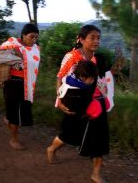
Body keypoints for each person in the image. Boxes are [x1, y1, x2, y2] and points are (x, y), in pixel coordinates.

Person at [47, 24, 110, 183]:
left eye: (98, 38)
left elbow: (103, 79)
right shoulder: (72, 57)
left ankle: (96, 173)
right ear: (81, 39)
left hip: (97, 102)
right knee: (69, 133)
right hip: (78, 103)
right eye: (92, 38)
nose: (96, 41)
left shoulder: (98, 58)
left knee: (100, 138)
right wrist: (60, 100)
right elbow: (60, 77)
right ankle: (52, 148)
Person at [0, 23, 40, 150]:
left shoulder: (35, 49)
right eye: (31, 37)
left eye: (36, 37)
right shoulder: (12, 44)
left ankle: (9, 118)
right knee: (15, 114)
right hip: (12, 83)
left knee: (21, 111)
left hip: (27, 84)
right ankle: (14, 139)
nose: (34, 40)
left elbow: (34, 66)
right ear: (23, 35)